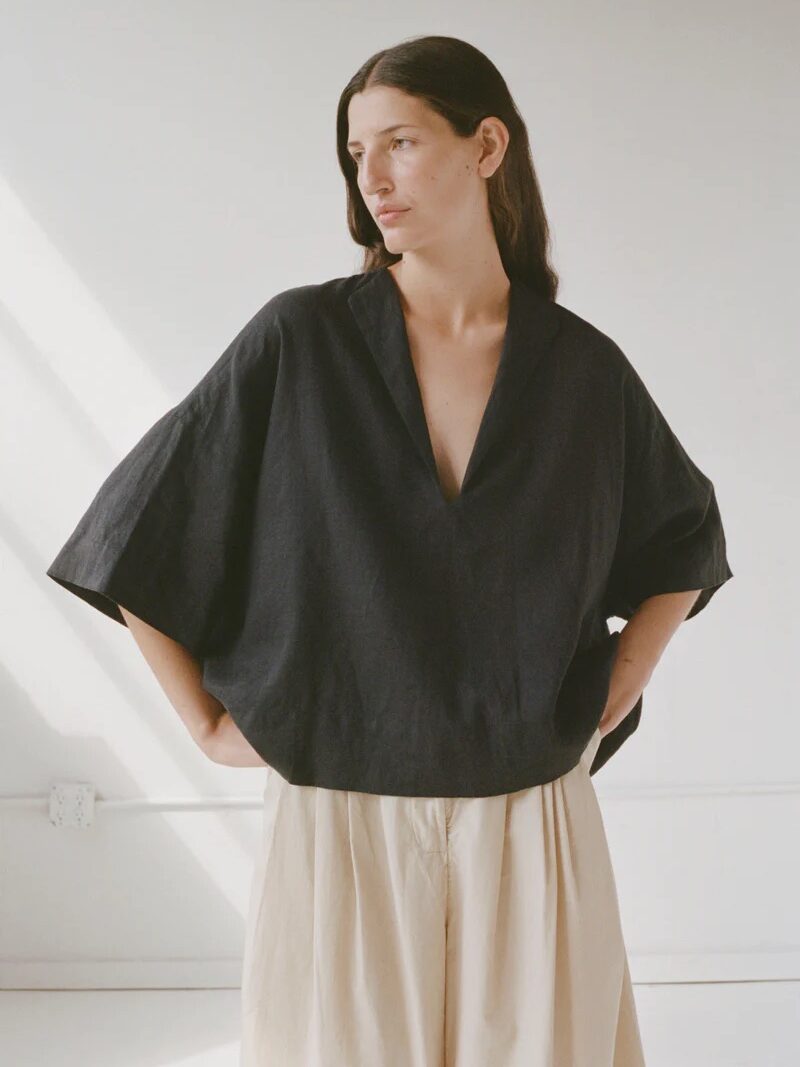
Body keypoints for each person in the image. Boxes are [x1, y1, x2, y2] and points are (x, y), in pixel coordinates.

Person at [45, 34, 733, 1067]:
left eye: (400, 142)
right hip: (340, 828)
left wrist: (609, 692)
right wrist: (202, 723)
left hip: (528, 829)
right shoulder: (300, 341)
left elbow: (683, 536)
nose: (370, 176)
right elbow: (139, 525)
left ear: (485, 144)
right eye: (355, 152)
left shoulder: (581, 371)